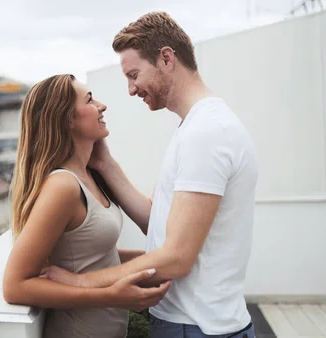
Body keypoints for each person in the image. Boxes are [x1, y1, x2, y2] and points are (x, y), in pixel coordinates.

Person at [44, 12, 259, 338]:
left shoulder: (207, 133)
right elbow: (158, 224)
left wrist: (80, 282)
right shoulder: (196, 127)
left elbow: (175, 258)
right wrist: (105, 165)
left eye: (134, 74)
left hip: (198, 328)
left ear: (167, 58)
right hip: (193, 325)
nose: (131, 90)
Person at [2, 74, 171, 338]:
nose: (102, 106)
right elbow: (15, 286)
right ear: (66, 118)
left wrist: (159, 262)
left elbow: (95, 258)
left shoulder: (89, 177)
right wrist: (110, 296)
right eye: (90, 100)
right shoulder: (63, 187)